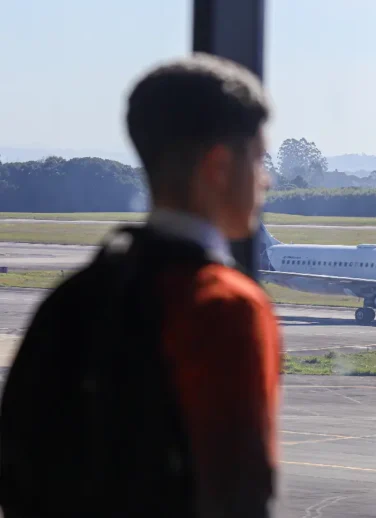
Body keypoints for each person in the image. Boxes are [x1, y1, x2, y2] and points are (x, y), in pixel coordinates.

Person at [0, 53, 282, 518]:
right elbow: (239, 496)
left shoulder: (73, 297)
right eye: (257, 158)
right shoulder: (224, 306)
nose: (265, 180)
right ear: (217, 167)